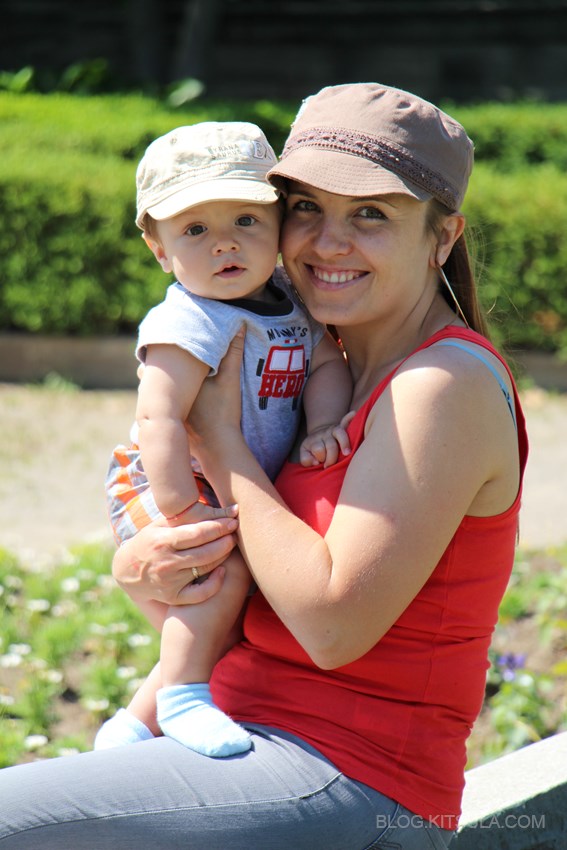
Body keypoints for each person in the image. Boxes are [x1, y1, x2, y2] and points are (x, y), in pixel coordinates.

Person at [0, 82, 528, 850]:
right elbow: (263, 592)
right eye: (306, 208)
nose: (326, 242)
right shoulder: (315, 363)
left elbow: (332, 627)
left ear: (441, 236)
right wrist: (148, 571)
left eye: (369, 214)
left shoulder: (438, 385)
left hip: (350, 772)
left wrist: (219, 442)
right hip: (245, 736)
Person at [95, 121, 353, 757]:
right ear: (159, 249)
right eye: (194, 230)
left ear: (279, 226)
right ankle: (183, 697)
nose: (225, 243)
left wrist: (324, 424)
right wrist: (181, 505)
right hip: (166, 476)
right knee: (221, 576)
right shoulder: (188, 320)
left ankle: (132, 727)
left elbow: (325, 362)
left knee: (234, 599)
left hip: (220, 475)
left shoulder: (291, 300)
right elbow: (159, 417)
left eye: (246, 220)